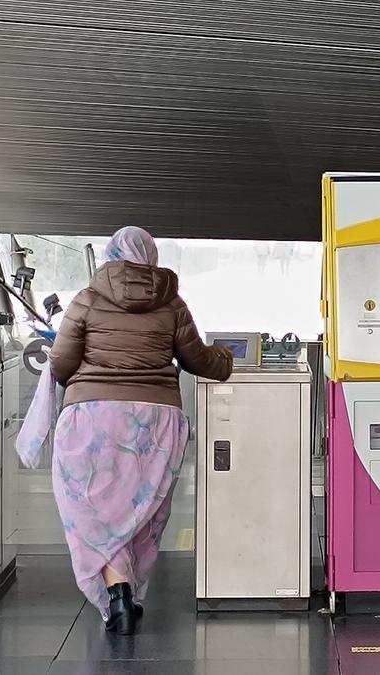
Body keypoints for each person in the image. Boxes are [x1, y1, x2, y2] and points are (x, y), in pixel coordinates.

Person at [49, 226, 233, 634]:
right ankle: (126, 591)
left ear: (110, 255)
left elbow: (61, 365)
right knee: (141, 509)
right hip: (155, 420)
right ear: (151, 255)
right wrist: (228, 360)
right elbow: (198, 360)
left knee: (93, 509)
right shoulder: (172, 303)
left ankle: (116, 594)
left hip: (93, 417)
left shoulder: (86, 299)